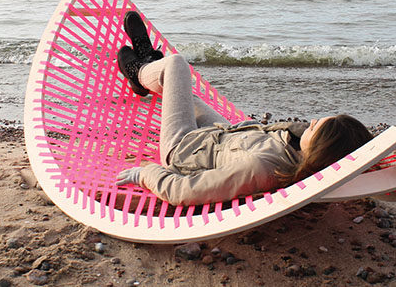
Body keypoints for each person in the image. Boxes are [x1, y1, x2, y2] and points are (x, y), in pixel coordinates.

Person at [115, 12, 373, 206]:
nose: (312, 121)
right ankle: (149, 63)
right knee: (178, 89)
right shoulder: (298, 148)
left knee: (177, 66)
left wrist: (145, 174)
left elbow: (183, 191)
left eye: (316, 127)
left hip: (183, 148)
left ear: (319, 149)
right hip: (221, 135)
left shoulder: (260, 168)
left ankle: (139, 73)